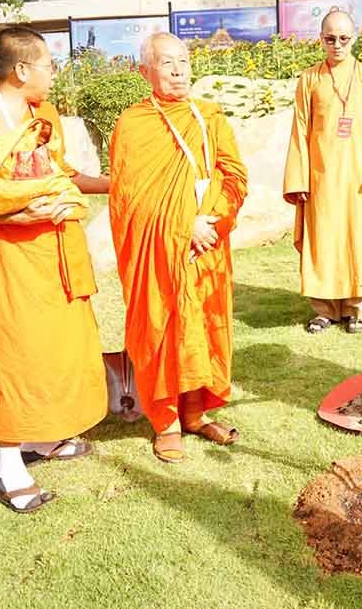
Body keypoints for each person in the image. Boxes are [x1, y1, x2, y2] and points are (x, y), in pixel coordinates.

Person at [0, 25, 109, 513]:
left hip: (53, 251)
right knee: (14, 354)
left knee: (56, 346)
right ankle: (9, 467)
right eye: (48, 66)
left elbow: (61, 173)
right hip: (7, 257)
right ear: (21, 70)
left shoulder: (42, 115)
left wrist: (117, 182)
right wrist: (16, 216)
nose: (54, 75)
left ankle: (43, 437)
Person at [109, 32, 247, 462]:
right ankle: (166, 422)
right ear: (145, 71)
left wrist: (212, 220)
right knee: (163, 326)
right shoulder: (133, 124)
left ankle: (195, 413)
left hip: (207, 245)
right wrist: (183, 226)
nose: (177, 71)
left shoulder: (209, 116)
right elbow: (129, 198)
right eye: (166, 63)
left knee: (203, 326)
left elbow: (234, 176)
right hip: (160, 251)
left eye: (183, 61)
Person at [283, 10, 362, 334]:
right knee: (323, 240)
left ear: (354, 37)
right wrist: (299, 177)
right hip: (320, 177)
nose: (337, 44)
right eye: (330, 38)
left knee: (359, 241)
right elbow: (300, 130)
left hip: (359, 179)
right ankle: (325, 310)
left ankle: (360, 309)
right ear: (321, 39)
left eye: (344, 38)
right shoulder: (309, 79)